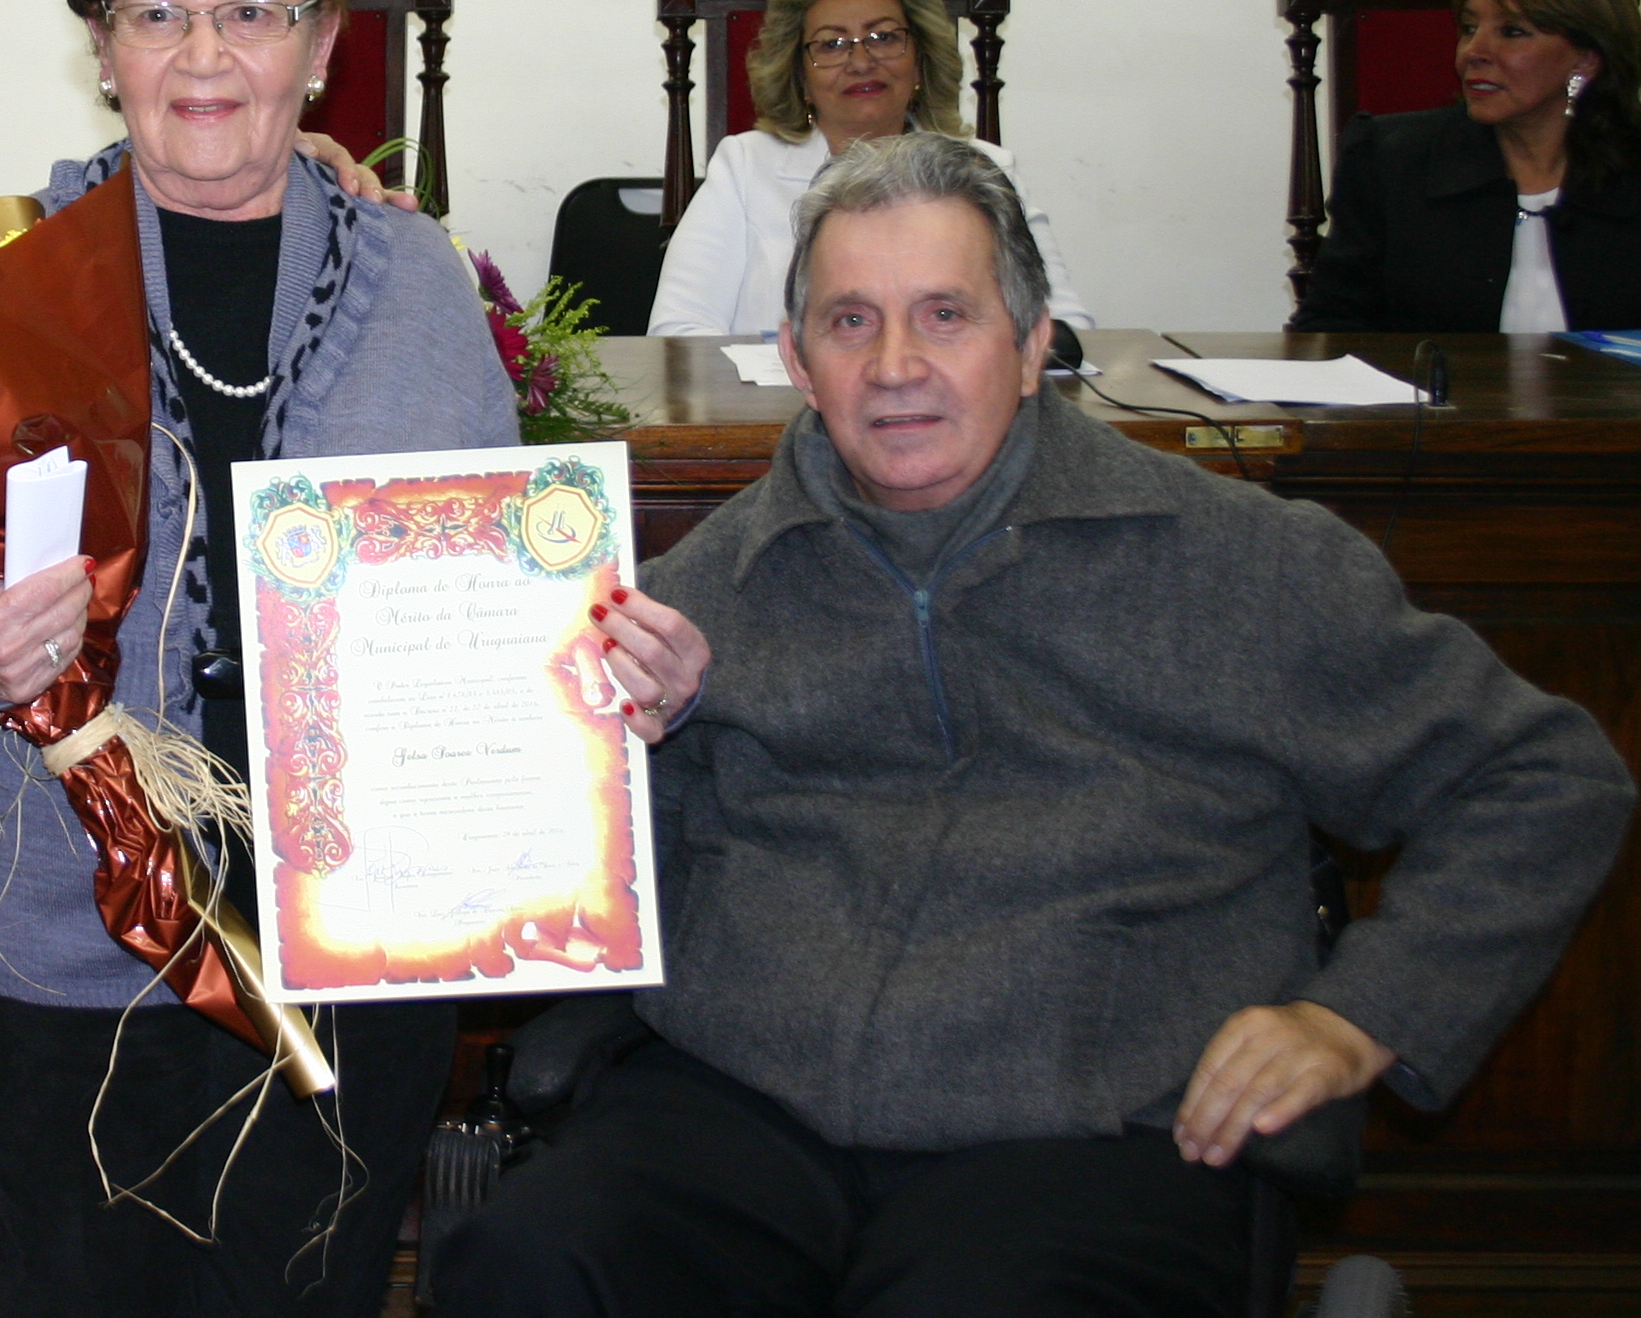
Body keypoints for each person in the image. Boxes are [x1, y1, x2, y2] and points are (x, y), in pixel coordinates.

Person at [432, 132, 1633, 1318]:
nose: (895, 364)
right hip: (748, 1101)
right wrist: (630, 750)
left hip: (1091, 1124)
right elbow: (578, 888)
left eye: (945, 314)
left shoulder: (1239, 565)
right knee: (531, 1261)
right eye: (851, 321)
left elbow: (1546, 777)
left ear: (1033, 343)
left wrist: (1363, 1012)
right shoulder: (696, 590)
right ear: (796, 358)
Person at [0, 0, 591, 1318]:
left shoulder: (419, 285)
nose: (204, 57)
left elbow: (508, 615)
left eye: (250, 11)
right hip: (61, 949)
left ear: (322, 41)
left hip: (364, 950)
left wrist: (602, 666)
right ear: (102, 43)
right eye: (157, 12)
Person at [647, 0, 1090, 337]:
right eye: (831, 44)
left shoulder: (987, 171)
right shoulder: (744, 169)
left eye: (883, 37)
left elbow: (1064, 331)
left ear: (920, 61)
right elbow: (677, 333)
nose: (861, 62)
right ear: (799, 75)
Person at [1293, 0, 1641, 331]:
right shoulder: (1390, 161)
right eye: (1469, 28)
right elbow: (1329, 330)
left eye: (1512, 31)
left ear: (1585, 59)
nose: (1474, 52)